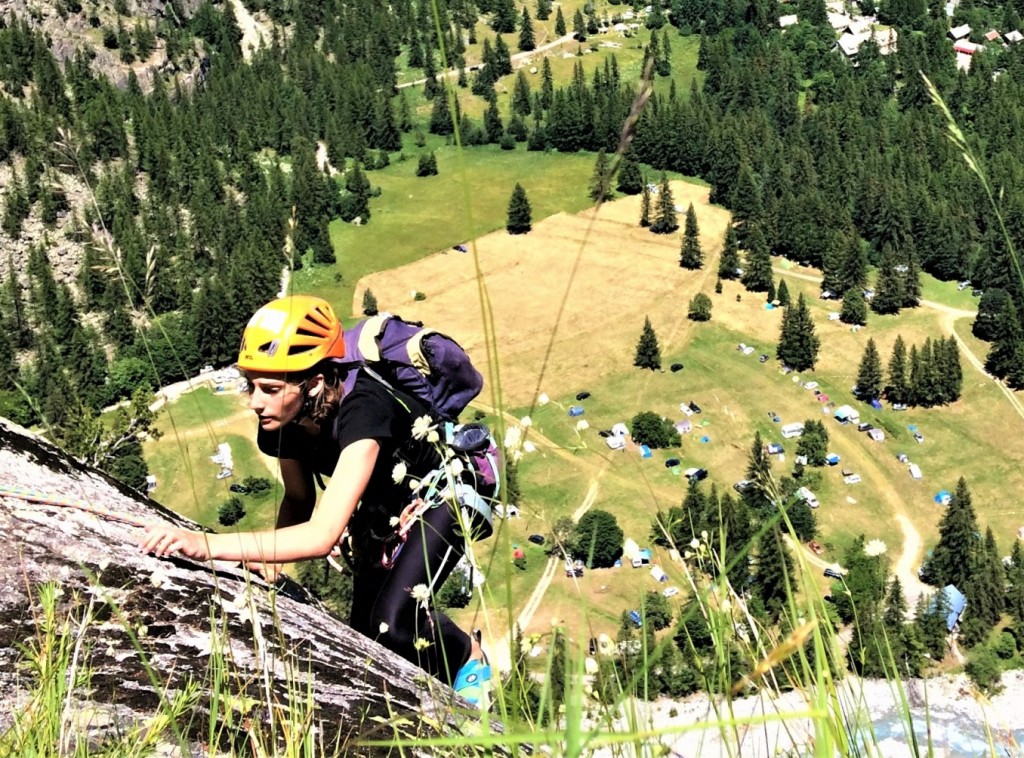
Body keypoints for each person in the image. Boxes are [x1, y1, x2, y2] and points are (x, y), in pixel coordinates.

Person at [140, 295, 490, 703]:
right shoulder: (279, 423)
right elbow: (299, 497)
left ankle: (468, 657)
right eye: (250, 386)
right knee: (368, 639)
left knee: (391, 626)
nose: (255, 401)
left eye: (270, 388)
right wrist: (269, 561)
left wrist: (207, 546)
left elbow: (323, 535)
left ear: (316, 382)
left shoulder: (364, 409)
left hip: (444, 493)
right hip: (384, 505)